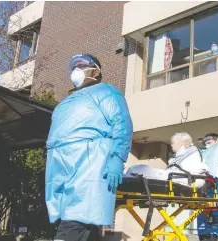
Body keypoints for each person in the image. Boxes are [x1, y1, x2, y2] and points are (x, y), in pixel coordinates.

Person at [45, 54, 133, 241]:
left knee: (76, 217)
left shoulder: (107, 92)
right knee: (75, 219)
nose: (76, 69)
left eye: (82, 65)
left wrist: (117, 157)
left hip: (89, 159)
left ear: (96, 71)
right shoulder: (67, 101)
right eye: (74, 66)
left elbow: (122, 123)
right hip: (59, 161)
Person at [125, 132, 208, 187]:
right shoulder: (184, 155)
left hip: (187, 179)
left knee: (139, 169)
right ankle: (126, 178)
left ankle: (125, 180)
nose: (171, 145)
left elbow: (191, 170)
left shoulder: (192, 154)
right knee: (141, 168)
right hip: (182, 177)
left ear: (183, 143)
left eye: (174, 142)